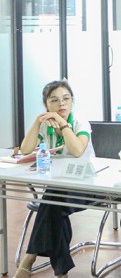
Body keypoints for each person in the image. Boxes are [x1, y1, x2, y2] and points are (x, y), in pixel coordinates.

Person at [14, 80, 91, 278]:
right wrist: (37, 122)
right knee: (54, 205)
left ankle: (29, 259)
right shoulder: (45, 125)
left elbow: (77, 151)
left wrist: (63, 124)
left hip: (87, 186)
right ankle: (60, 271)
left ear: (72, 101)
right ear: (46, 105)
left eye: (66, 99)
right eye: (54, 100)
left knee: (51, 201)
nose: (61, 104)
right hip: (58, 187)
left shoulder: (80, 122)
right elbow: (26, 149)